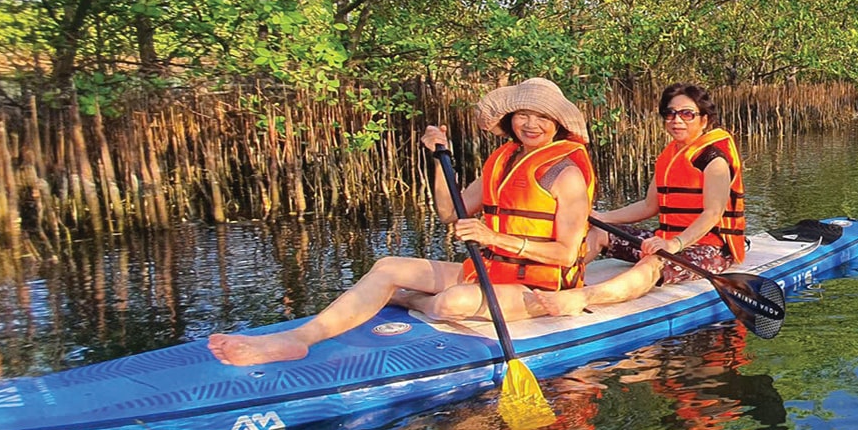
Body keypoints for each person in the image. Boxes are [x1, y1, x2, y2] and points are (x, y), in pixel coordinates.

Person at [208, 78, 594, 365]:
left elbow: (564, 255)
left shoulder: (567, 174)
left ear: (557, 123)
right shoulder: (504, 159)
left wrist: (494, 236)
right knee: (387, 265)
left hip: (541, 288)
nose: (531, 124)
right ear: (510, 120)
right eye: (523, 115)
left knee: (451, 302)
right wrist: (441, 157)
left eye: (542, 116)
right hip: (490, 272)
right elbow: (450, 211)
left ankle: (408, 299)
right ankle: (298, 338)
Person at [543, 83, 744, 314]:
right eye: (670, 113)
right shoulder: (670, 156)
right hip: (666, 239)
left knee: (652, 261)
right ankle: (555, 279)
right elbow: (649, 206)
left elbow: (713, 213)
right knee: (600, 232)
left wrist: (674, 244)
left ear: (704, 119)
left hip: (709, 248)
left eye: (687, 114)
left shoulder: (714, 160)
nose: (677, 120)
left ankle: (582, 297)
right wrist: (601, 217)